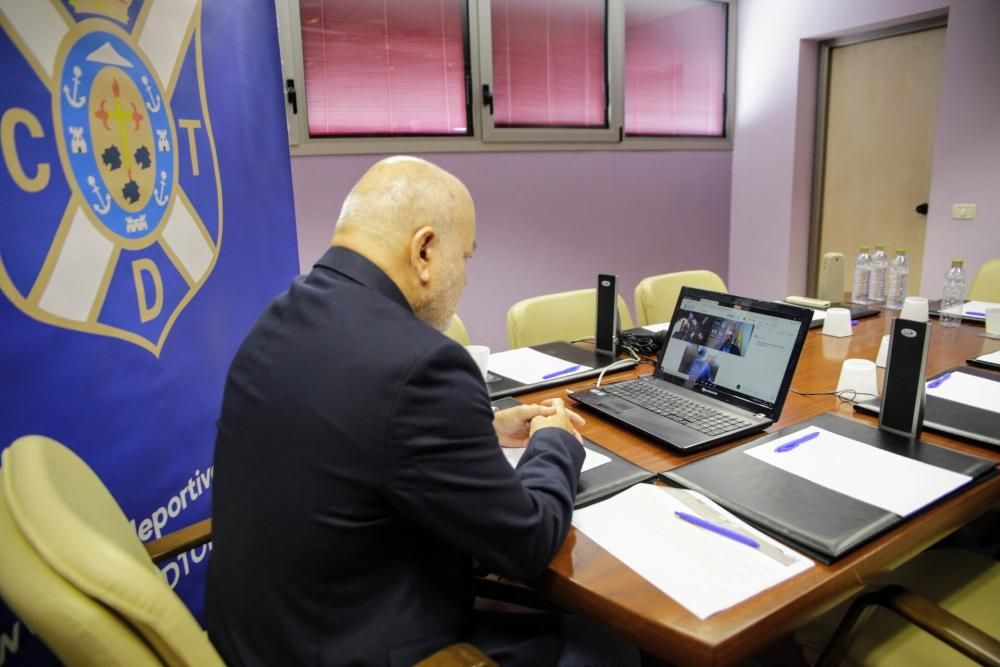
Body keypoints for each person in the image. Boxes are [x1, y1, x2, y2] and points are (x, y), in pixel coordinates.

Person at [204, 156, 637, 666]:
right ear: (425, 250)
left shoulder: (280, 319)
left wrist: (484, 427)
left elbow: (352, 433)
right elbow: (527, 543)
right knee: (609, 645)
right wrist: (556, 442)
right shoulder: (422, 365)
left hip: (261, 640)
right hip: (358, 647)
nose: (466, 279)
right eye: (466, 257)